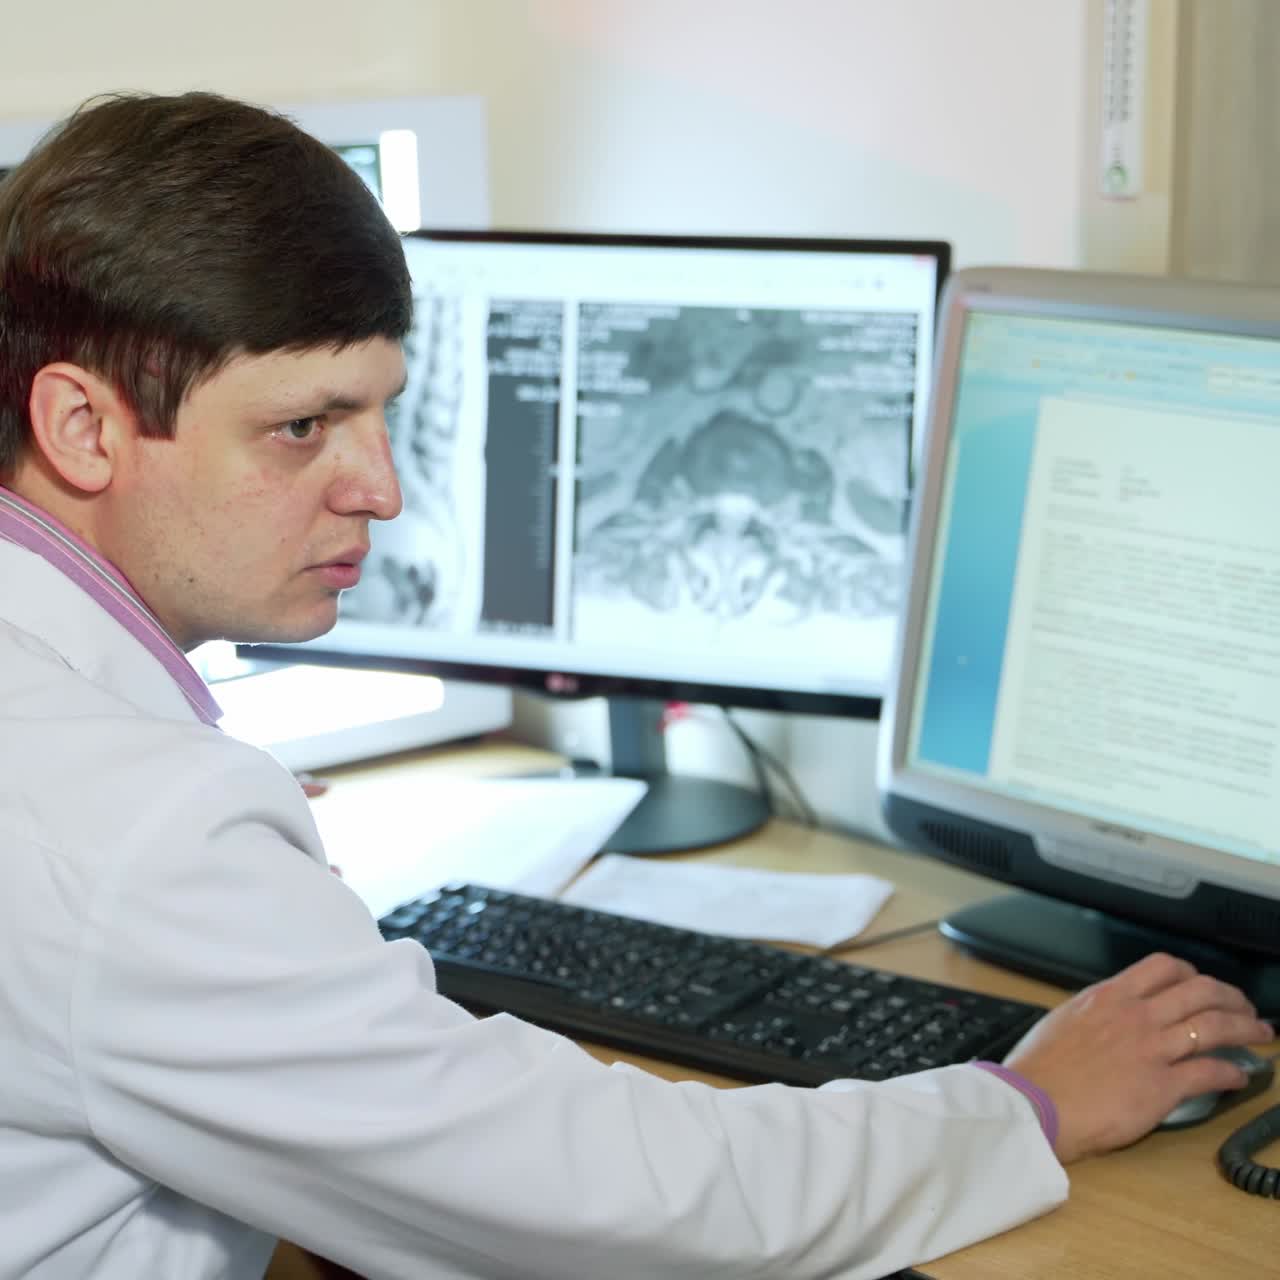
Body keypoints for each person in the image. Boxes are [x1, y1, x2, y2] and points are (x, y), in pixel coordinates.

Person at [0, 91, 1270, 1280]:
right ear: (84, 427)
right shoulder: (136, 836)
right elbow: (624, 1198)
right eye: (302, 427)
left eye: (384, 414)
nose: (380, 489)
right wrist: (1027, 1105)